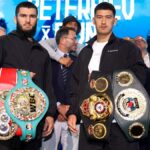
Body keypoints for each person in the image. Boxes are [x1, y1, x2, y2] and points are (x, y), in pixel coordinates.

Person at [67, 2, 149, 150]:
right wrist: (73, 112)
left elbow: (142, 77)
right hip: (90, 123)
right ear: (93, 20)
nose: (103, 22)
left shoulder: (127, 48)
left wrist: (109, 80)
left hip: (120, 125)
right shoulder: (85, 52)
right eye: (99, 17)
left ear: (115, 21)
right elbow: (75, 86)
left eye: (108, 17)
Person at [0, 1, 56, 150]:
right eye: (23, 16)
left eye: (32, 16)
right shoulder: (3, 43)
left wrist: (50, 114)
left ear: (37, 19)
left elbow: (47, 85)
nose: (27, 20)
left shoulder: (42, 52)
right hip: (6, 121)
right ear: (15, 19)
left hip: (34, 121)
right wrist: (18, 77)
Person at [41, 27, 79, 150]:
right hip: (51, 117)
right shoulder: (45, 60)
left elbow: (79, 88)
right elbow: (44, 86)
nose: (76, 41)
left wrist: (70, 110)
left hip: (72, 118)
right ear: (63, 40)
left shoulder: (79, 61)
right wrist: (57, 107)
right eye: (74, 38)